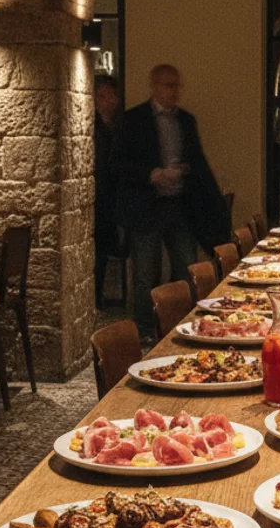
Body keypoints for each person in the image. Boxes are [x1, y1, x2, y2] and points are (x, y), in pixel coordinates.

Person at [114, 64, 229, 338]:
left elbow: (197, 161)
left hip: (179, 205)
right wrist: (150, 174)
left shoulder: (186, 121)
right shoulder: (133, 120)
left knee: (186, 269)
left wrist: (186, 173)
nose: (174, 91)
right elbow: (117, 163)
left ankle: (180, 325)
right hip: (146, 206)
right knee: (145, 274)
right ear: (154, 86)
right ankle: (144, 329)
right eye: (168, 85)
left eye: (177, 85)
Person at [93, 74, 122, 307]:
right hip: (99, 195)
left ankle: (112, 295)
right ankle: (97, 297)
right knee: (99, 251)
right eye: (101, 96)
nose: (107, 101)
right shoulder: (91, 126)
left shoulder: (122, 125)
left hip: (117, 194)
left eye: (111, 95)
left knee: (113, 247)